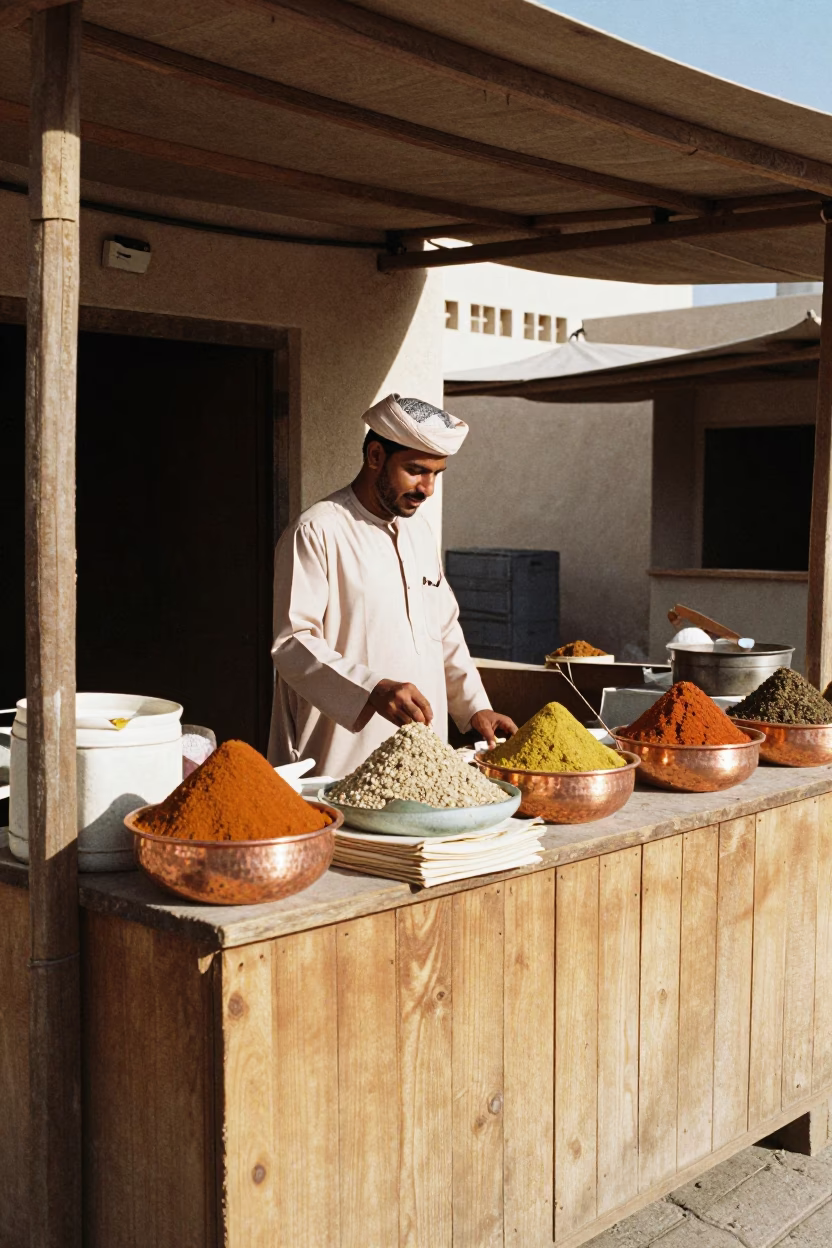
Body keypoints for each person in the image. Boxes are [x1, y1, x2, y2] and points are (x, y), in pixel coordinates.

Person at [268, 393, 517, 776]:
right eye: (416, 470)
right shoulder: (318, 530)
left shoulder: (419, 532)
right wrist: (372, 688)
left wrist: (474, 707)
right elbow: (292, 643)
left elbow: (444, 629)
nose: (427, 488)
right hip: (341, 753)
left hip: (424, 755)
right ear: (375, 457)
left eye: (436, 474)